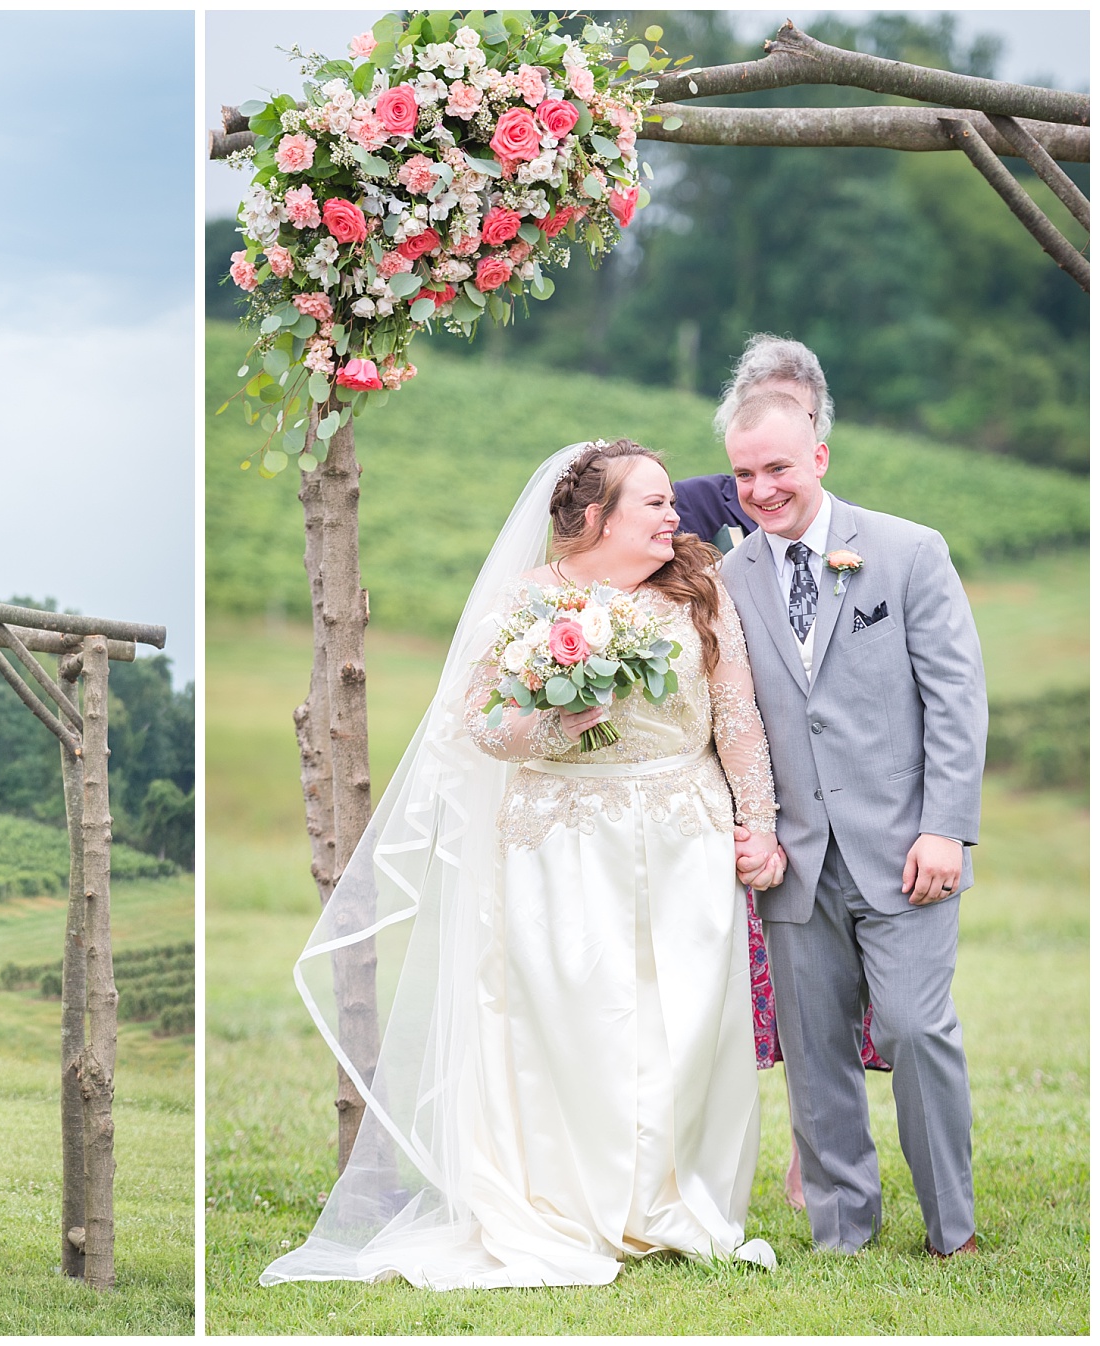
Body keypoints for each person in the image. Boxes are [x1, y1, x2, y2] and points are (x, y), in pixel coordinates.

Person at [262, 439, 782, 1290]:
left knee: (684, 1024)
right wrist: (563, 720)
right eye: (651, 503)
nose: (674, 515)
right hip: (561, 837)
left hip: (688, 832)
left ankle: (670, 1206)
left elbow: (739, 716)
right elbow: (482, 725)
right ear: (592, 519)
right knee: (570, 1023)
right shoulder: (528, 604)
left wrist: (756, 825)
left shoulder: (700, 584)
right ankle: (569, 1207)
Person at [720, 390, 985, 1259]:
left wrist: (946, 826)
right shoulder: (729, 581)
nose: (762, 489)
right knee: (814, 1048)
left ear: (820, 458)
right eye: (745, 473)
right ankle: (842, 1230)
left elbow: (955, 698)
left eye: (778, 468)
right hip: (794, 861)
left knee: (915, 1028)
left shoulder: (908, 552)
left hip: (907, 848)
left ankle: (953, 1228)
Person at [678, 333, 886, 1212]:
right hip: (738, 793)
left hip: (840, 799)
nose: (769, 473)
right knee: (773, 992)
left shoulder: (849, 534)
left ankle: (821, 1152)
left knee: (849, 991)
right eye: (766, 409)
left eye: (799, 416)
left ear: (816, 431)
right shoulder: (690, 511)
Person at [673, 334, 835, 557]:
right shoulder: (692, 503)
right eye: (757, 410)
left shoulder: (859, 529)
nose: (772, 427)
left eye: (793, 413)